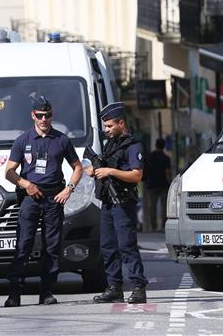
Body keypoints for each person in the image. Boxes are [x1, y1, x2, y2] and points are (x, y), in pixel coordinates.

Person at [4, 96, 83, 307]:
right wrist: (25, 184)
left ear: (52, 115)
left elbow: (78, 167)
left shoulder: (61, 140)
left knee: (52, 246)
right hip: (31, 196)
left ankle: (46, 291)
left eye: (47, 115)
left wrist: (69, 190)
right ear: (33, 115)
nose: (44, 119)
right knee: (24, 244)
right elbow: (9, 172)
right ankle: (14, 293)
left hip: (53, 197)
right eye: (40, 116)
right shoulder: (23, 140)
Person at [87, 102, 148, 304]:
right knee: (107, 246)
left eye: (110, 126)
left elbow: (136, 175)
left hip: (122, 202)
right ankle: (114, 286)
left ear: (121, 123)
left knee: (126, 246)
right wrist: (94, 171)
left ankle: (138, 287)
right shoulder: (110, 144)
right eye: (105, 127)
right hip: (107, 202)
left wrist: (110, 172)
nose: (106, 130)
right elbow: (104, 166)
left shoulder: (133, 146)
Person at [144, 138, 172, 232]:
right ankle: (163, 226)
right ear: (163, 146)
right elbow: (168, 172)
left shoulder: (150, 157)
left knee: (152, 207)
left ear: (155, 145)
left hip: (152, 185)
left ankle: (154, 226)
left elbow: (146, 170)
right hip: (163, 184)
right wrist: (170, 182)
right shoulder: (166, 158)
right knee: (164, 207)